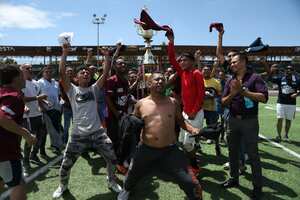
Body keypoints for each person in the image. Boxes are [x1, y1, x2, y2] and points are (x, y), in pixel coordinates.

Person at [118, 72, 203, 200]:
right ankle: (127, 190)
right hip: (146, 148)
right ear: (149, 84)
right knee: (132, 174)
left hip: (170, 149)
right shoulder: (140, 104)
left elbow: (181, 122)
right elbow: (133, 126)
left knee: (188, 181)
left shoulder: (173, 102)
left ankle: (192, 196)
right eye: (156, 80)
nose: (160, 82)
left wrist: (193, 129)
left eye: (163, 80)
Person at [52, 44, 122, 198]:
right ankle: (62, 186)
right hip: (78, 135)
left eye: (87, 72)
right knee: (66, 165)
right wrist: (64, 53)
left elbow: (105, 72)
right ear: (76, 78)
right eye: (81, 72)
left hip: (97, 133)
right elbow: (61, 72)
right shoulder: (71, 90)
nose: (85, 73)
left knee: (112, 158)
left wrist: (106, 56)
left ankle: (111, 180)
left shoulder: (94, 89)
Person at [221, 53, 268, 200]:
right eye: (231, 63)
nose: (232, 64)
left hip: (250, 121)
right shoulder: (231, 81)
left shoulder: (255, 78)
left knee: (253, 155)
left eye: (234, 62)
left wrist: (244, 92)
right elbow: (223, 102)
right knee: (232, 152)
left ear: (243, 62)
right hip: (233, 120)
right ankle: (234, 178)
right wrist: (234, 93)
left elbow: (264, 97)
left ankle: (257, 187)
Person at [166, 32, 205, 173]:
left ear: (192, 61)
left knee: (188, 143)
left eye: (184, 60)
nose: (181, 62)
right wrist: (171, 41)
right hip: (185, 113)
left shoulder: (196, 74)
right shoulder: (182, 73)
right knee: (184, 142)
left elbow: (201, 96)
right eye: (180, 60)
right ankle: (191, 162)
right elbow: (171, 59)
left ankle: (194, 167)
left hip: (195, 113)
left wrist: (194, 111)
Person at [0, 65, 36, 200]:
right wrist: (26, 134)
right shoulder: (14, 96)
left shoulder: (3, 92)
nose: (25, 77)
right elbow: (2, 118)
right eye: (22, 74)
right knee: (17, 185)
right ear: (16, 78)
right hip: (5, 151)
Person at [20, 64, 48, 176]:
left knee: (42, 135)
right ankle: (25, 162)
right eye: (27, 68)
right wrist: (38, 98)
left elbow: (38, 97)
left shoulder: (35, 83)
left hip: (38, 114)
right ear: (21, 70)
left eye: (30, 68)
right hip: (27, 116)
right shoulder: (20, 83)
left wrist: (43, 103)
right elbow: (21, 98)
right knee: (30, 139)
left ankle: (34, 155)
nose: (30, 70)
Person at [267, 64, 300, 142]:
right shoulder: (281, 78)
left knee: (288, 120)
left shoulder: (297, 80)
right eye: (287, 69)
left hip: (291, 104)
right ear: (285, 71)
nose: (289, 71)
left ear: (293, 71)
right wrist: (271, 72)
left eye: (291, 69)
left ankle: (286, 135)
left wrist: (297, 94)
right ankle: (278, 135)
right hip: (281, 103)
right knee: (279, 119)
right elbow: (270, 79)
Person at [37, 65, 63, 153]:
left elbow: (59, 95)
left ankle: (55, 145)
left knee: (56, 127)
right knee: (45, 131)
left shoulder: (55, 82)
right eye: (46, 72)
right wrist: (41, 107)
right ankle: (41, 149)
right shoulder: (39, 82)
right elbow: (37, 96)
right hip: (46, 109)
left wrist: (60, 105)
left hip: (57, 108)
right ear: (43, 73)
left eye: (50, 72)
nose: (48, 73)